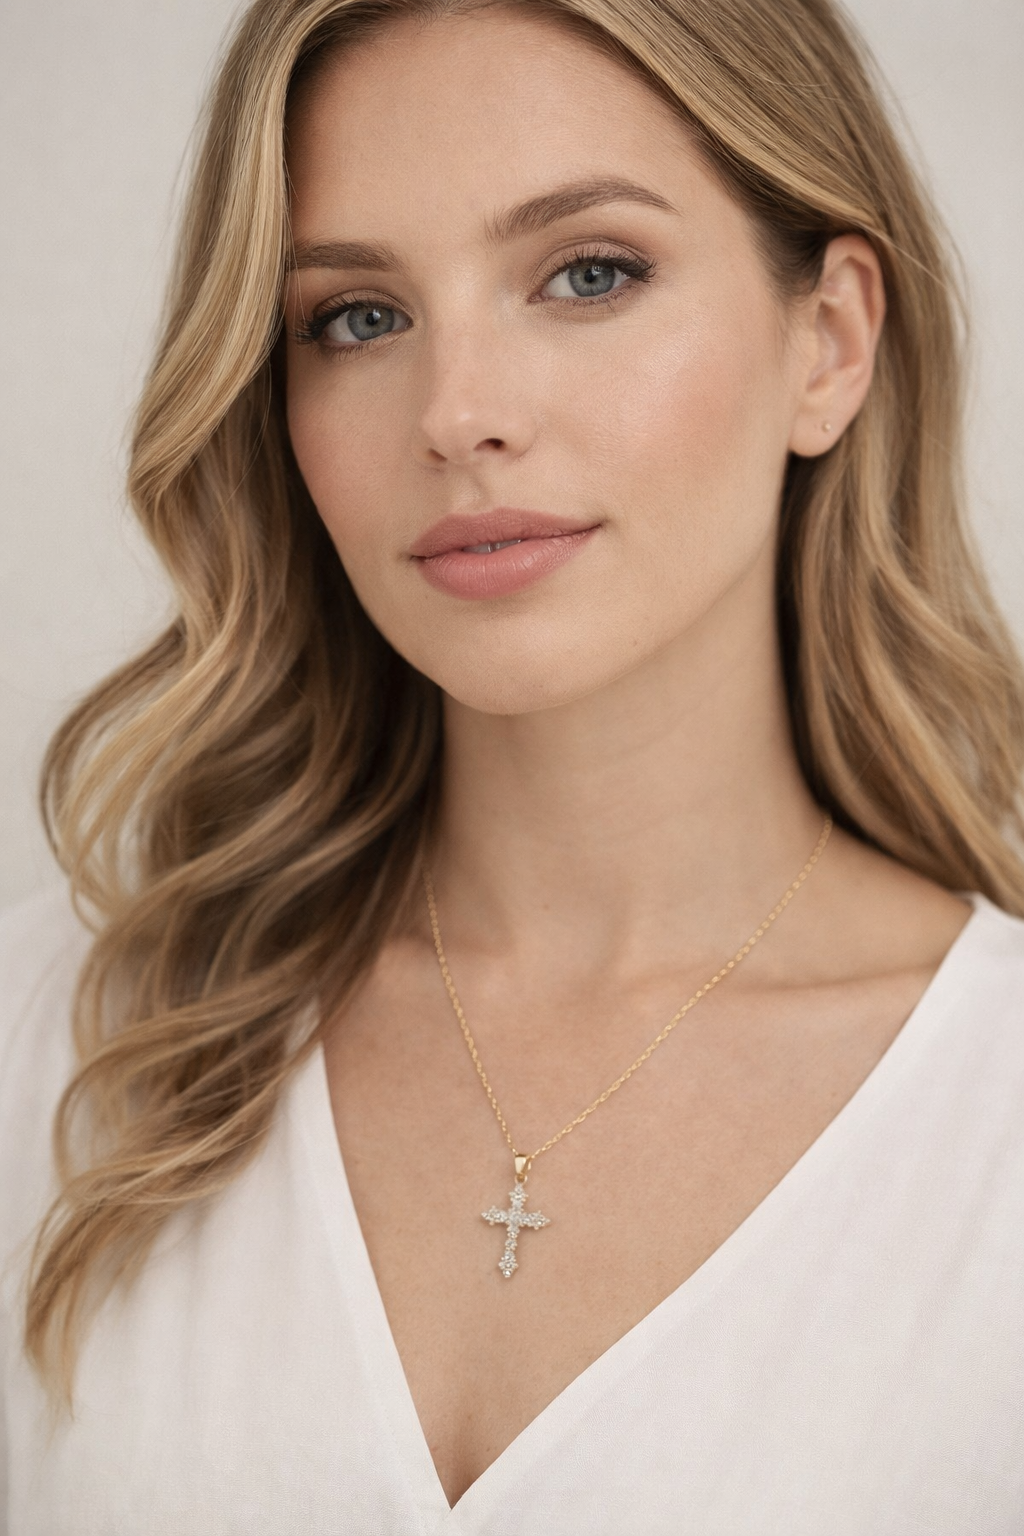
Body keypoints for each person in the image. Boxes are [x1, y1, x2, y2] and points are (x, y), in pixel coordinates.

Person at [2, 0, 1024, 1529]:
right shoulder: (70, 1044)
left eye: (589, 273)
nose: (459, 414)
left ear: (830, 343)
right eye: (356, 316)